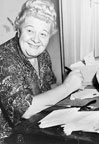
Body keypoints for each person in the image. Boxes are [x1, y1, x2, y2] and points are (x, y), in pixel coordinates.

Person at [0, 0, 83, 143]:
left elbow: (49, 88)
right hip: (9, 138)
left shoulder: (43, 55)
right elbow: (26, 109)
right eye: (30, 30)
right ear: (19, 28)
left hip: (38, 129)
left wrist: (75, 88)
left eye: (43, 34)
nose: (36, 40)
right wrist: (68, 86)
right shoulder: (4, 58)